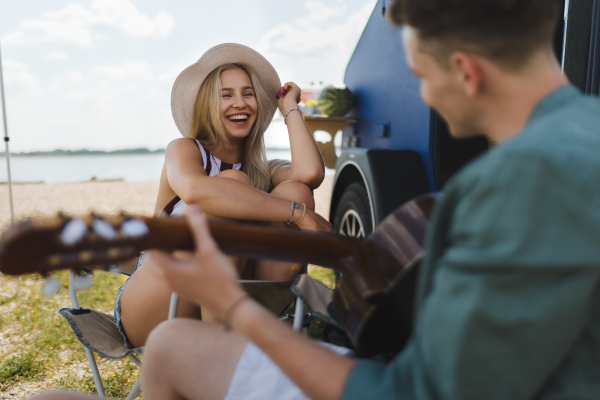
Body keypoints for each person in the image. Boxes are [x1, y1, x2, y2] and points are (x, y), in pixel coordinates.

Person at [30, 0, 600, 399]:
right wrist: (302, 220)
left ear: (465, 72)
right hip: (165, 292)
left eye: (421, 76)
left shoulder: (518, 183)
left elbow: (412, 386)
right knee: (181, 323)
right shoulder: (572, 140)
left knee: (171, 348)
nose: (424, 95)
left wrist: (232, 307)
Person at [114, 43, 332, 349]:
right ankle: (221, 359)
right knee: (231, 182)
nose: (239, 103)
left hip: (237, 304)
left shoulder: (263, 169)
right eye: (225, 95)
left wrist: (290, 109)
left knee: (294, 188)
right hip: (157, 307)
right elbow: (196, 191)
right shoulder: (185, 150)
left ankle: (243, 340)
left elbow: (310, 175)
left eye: (248, 93)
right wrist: (298, 213)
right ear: (207, 104)